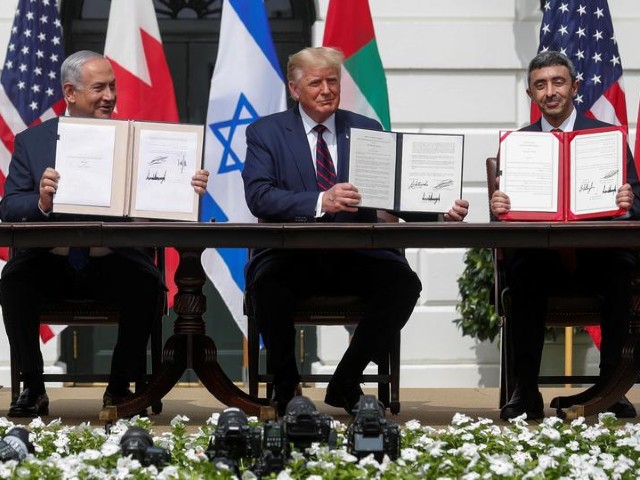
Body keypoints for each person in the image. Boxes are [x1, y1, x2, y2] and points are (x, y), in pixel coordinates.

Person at [242, 46, 469, 416]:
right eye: (316, 83)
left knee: (404, 284)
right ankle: (285, 386)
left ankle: (346, 379)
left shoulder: (366, 128)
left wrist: (439, 211)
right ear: (295, 88)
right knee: (267, 287)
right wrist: (320, 201)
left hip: (355, 254)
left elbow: (394, 194)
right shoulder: (266, 132)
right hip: (292, 254)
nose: (327, 90)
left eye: (333, 81)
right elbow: (260, 196)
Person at [0, 50, 210, 417]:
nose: (110, 96)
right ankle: (33, 387)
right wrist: (42, 201)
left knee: (148, 284)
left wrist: (184, 188)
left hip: (114, 261)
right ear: (70, 92)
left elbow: (160, 208)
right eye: (99, 88)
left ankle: (120, 388)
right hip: (51, 262)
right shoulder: (33, 142)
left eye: (112, 87)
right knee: (12, 281)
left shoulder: (137, 138)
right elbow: (9, 207)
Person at [490, 51, 640, 420]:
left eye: (558, 82)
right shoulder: (516, 144)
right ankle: (525, 391)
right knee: (523, 273)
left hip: (596, 258)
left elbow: (638, 200)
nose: (550, 91)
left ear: (574, 87)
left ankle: (611, 389)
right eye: (540, 85)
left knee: (622, 273)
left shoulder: (606, 137)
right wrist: (498, 205)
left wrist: (628, 200)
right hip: (542, 261)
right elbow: (500, 220)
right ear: (531, 94)